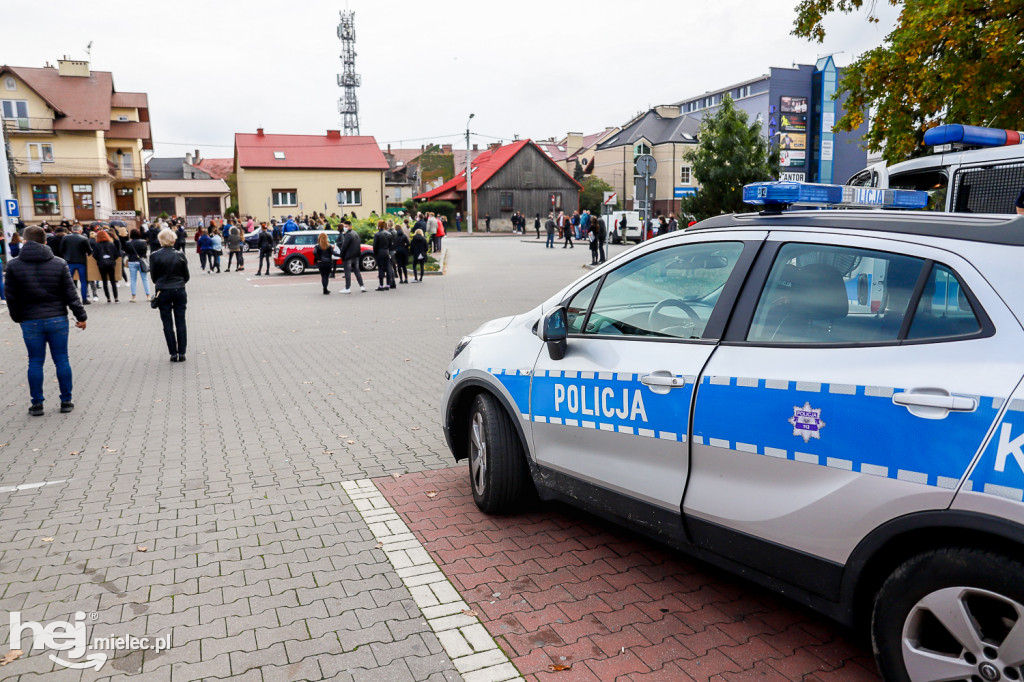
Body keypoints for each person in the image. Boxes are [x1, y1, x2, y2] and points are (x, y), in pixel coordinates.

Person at [5, 225, 87, 416]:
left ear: (24, 240)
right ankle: (66, 401)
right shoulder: (58, 263)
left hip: (30, 320)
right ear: (45, 240)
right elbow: (70, 293)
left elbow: (11, 296)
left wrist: (17, 317)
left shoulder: (14, 265)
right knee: (62, 359)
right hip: (57, 318)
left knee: (35, 362)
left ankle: (37, 404)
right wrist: (81, 316)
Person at [150, 228, 190, 362]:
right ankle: (182, 352)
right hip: (179, 289)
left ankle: (173, 353)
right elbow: (186, 276)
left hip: (163, 291)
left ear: (160, 240)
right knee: (181, 321)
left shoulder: (154, 256)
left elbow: (154, 277)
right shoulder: (180, 255)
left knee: (167, 322)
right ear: (173, 240)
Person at [60, 224, 92, 305]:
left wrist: (66, 256)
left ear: (72, 230)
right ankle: (84, 299)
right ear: (80, 231)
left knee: (68, 282)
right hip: (81, 262)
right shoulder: (84, 238)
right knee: (83, 281)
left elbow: (61, 249)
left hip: (69, 262)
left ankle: (69, 299)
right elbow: (89, 250)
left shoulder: (66, 237)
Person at [337, 221, 366, 293]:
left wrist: (341, 254)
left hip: (348, 256)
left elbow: (344, 246)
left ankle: (347, 288)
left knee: (347, 272)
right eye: (344, 226)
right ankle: (362, 286)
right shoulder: (355, 233)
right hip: (355, 256)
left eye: (346, 226)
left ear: (350, 226)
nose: (344, 228)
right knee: (357, 271)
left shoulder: (348, 235)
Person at [92, 229, 120, 303]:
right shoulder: (111, 244)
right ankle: (116, 298)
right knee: (113, 281)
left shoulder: (97, 245)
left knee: (104, 282)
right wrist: (112, 259)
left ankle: (108, 298)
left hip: (101, 264)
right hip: (111, 264)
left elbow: (94, 255)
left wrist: (99, 259)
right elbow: (116, 254)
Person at [124, 229, 150, 302]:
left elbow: (127, 252)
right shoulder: (143, 242)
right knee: (144, 279)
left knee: (133, 279)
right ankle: (148, 296)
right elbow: (145, 252)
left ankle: (133, 297)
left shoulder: (128, 243)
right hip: (142, 261)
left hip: (132, 261)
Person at [373, 220, 395, 290]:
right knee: (388, 268)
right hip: (387, 252)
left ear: (379, 226)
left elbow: (375, 246)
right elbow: (391, 244)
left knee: (381, 269)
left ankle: (381, 285)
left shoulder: (377, 235)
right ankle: (388, 284)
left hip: (380, 252)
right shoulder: (389, 234)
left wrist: (375, 253)